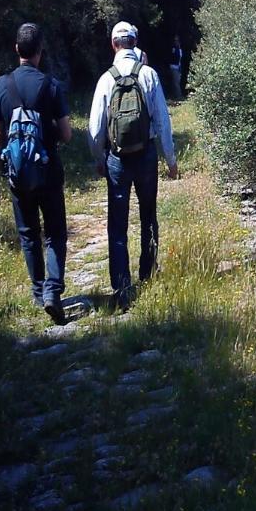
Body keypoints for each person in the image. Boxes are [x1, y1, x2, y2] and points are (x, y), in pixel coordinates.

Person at [88, 21, 178, 308]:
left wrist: (100, 159)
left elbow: (94, 128)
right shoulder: (149, 75)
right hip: (146, 155)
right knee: (148, 214)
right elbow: (163, 121)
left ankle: (122, 289)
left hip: (117, 159)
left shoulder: (105, 79)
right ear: (136, 43)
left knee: (117, 224)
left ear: (113, 44)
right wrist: (171, 160)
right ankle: (148, 274)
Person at [0, 23, 71, 323]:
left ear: (16, 49)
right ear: (40, 50)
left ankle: (38, 292)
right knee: (56, 233)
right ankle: (53, 290)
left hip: (17, 174)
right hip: (48, 170)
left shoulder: (2, 85)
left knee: (29, 234)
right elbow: (66, 134)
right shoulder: (50, 85)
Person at [169, 34, 184, 100]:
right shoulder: (174, 49)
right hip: (173, 67)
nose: (177, 42)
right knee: (175, 82)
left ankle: (177, 95)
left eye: (177, 40)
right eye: (175, 40)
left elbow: (180, 59)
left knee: (177, 82)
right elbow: (173, 57)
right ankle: (178, 96)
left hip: (178, 67)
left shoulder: (180, 49)